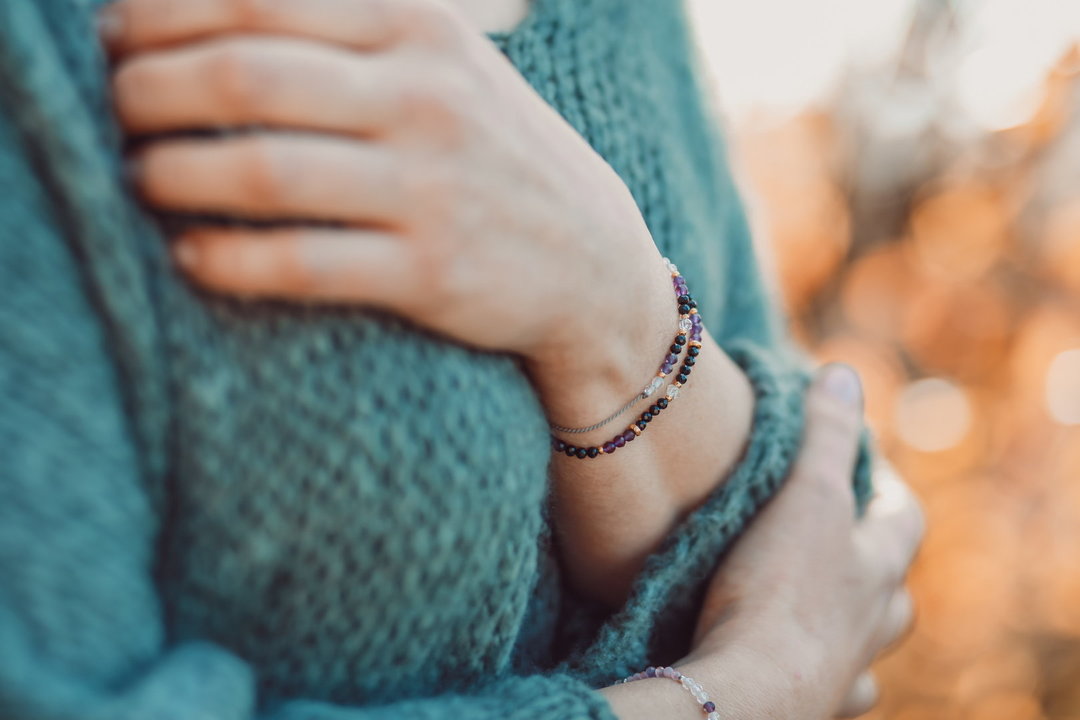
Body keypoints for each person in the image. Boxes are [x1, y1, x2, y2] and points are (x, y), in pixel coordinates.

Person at [0, 0, 923, 718]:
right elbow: (803, 634)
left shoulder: (637, 24)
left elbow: (827, 548)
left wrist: (610, 299)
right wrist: (751, 692)